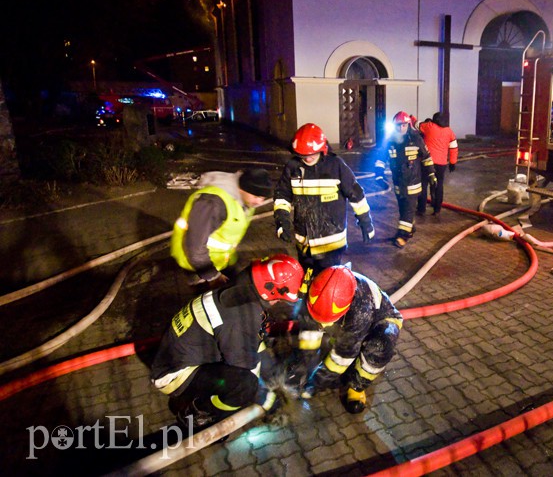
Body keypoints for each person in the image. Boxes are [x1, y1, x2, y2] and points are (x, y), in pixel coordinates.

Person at [150, 254, 305, 427]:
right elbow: (246, 369)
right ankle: (197, 413)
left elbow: (253, 343)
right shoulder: (241, 317)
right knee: (244, 386)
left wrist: (275, 376)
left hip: (178, 356)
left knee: (249, 367)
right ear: (270, 291)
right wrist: (270, 402)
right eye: (279, 299)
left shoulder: (241, 288)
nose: (277, 303)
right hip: (174, 375)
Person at [297, 265, 402, 414]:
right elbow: (308, 325)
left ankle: (357, 387)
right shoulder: (317, 288)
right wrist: (306, 362)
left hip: (379, 322)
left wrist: (317, 382)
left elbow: (343, 354)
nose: (323, 324)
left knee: (378, 347)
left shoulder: (361, 309)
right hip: (346, 319)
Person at [274, 123, 374, 274]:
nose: (307, 158)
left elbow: (356, 195)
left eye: (311, 153)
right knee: (306, 285)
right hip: (304, 245)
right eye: (303, 154)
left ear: (322, 148)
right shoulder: (293, 168)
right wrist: (282, 221)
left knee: (326, 287)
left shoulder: (336, 166)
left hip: (331, 246)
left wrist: (366, 222)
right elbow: (282, 195)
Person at [171, 168, 273, 289]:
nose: (259, 202)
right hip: (199, 267)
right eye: (256, 196)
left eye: (263, 198)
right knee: (209, 301)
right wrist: (212, 276)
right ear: (241, 188)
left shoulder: (243, 200)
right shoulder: (213, 203)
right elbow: (195, 248)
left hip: (220, 261)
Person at [374, 111, 436, 248]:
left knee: (408, 209)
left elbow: (426, 157)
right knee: (403, 209)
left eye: (404, 125)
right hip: (398, 183)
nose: (401, 128)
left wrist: (431, 174)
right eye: (399, 125)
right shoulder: (389, 141)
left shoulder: (416, 139)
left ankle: (403, 235)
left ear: (408, 125)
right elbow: (381, 158)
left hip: (413, 183)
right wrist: (379, 174)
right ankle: (410, 227)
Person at [417, 111, 458, 216]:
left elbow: (417, 124)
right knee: (438, 185)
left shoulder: (429, 126)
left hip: (427, 162)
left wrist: (410, 117)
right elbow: (453, 147)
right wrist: (453, 162)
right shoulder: (449, 131)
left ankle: (421, 209)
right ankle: (437, 209)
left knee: (424, 184)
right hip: (441, 164)